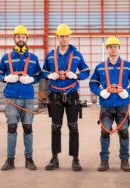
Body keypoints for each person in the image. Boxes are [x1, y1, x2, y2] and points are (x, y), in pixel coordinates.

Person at [42, 24, 90, 171]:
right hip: (55, 94)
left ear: (69, 37)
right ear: (57, 37)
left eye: (66, 36)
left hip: (71, 95)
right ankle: (54, 158)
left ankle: (75, 159)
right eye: (61, 36)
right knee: (55, 127)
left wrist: (76, 75)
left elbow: (86, 71)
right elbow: (43, 72)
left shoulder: (76, 54)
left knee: (73, 126)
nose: (64, 38)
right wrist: (49, 75)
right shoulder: (50, 55)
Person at [89, 36, 130, 172]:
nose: (113, 49)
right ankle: (104, 161)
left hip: (122, 104)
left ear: (119, 48)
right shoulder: (100, 67)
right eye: (110, 46)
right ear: (107, 49)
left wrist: (127, 92)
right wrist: (100, 92)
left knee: (124, 132)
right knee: (105, 133)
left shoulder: (128, 66)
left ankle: (125, 161)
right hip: (106, 104)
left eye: (115, 46)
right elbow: (92, 83)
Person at [0, 25, 41, 171]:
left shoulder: (33, 59)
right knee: (11, 128)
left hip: (27, 98)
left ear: (26, 38)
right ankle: (10, 160)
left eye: (23, 36)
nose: (20, 39)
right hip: (11, 98)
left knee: (28, 128)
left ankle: (29, 159)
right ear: (14, 39)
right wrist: (5, 78)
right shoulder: (6, 58)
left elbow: (39, 75)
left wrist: (32, 80)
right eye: (18, 36)